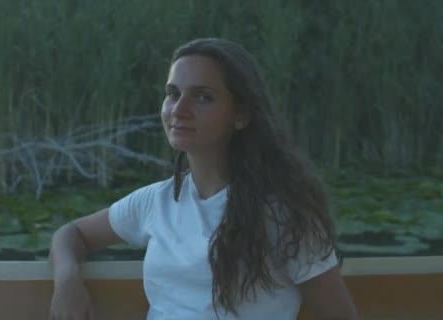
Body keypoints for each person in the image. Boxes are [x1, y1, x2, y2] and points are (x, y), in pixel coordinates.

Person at [48, 38, 359, 319]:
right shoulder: (154, 202)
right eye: (173, 94)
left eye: (202, 97)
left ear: (241, 114)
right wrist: (67, 281)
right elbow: (72, 234)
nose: (179, 110)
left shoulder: (284, 214)